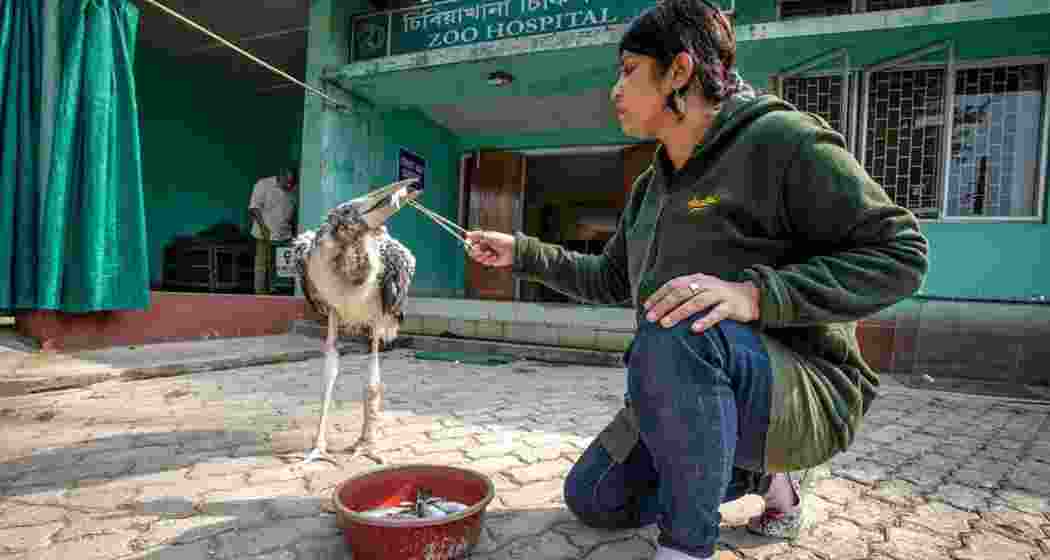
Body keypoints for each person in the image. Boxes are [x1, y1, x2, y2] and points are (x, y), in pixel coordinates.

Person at [464, 1, 929, 559]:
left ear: (679, 72)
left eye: (628, 70)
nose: (615, 88)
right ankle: (756, 478)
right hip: (688, 378)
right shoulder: (649, 187)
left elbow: (900, 253)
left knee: (681, 322)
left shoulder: (782, 141)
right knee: (591, 496)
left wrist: (755, 295)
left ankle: (686, 546)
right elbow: (611, 279)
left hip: (801, 390)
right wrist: (522, 253)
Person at [249, 165, 298, 294]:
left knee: (284, 266)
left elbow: (294, 211)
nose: (289, 185)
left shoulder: (293, 189)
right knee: (262, 265)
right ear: (280, 176)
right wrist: (263, 227)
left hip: (285, 233)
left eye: (291, 182)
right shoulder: (263, 184)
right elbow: (254, 208)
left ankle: (279, 292)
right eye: (286, 182)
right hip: (264, 232)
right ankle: (259, 294)